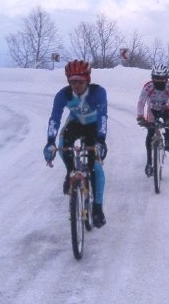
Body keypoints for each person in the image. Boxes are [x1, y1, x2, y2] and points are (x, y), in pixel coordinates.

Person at [43, 60, 108, 228]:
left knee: (96, 168)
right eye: (72, 81)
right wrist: (50, 142)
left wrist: (101, 140)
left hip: (93, 127)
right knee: (63, 144)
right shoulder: (63, 95)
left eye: (80, 81)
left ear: (87, 79)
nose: (76, 85)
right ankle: (70, 171)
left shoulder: (98, 92)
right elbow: (55, 118)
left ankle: (98, 208)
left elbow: (102, 116)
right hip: (75, 123)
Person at [136, 63, 169, 176]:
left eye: (162, 79)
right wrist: (140, 117)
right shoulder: (148, 87)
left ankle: (168, 138)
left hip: (165, 109)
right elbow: (141, 102)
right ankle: (149, 162)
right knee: (150, 134)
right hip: (152, 110)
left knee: (168, 122)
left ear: (167, 78)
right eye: (156, 78)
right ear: (152, 78)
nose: (159, 81)